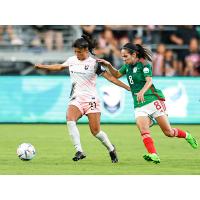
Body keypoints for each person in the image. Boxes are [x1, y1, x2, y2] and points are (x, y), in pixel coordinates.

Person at [34, 34, 130, 163]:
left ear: (86, 50)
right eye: (75, 51)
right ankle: (79, 150)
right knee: (70, 119)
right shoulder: (72, 60)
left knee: (96, 132)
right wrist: (43, 66)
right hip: (76, 99)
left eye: (79, 52)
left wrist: (128, 88)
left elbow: (111, 78)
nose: (76, 54)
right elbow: (59, 66)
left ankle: (111, 148)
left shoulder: (95, 63)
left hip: (91, 100)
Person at [97, 42, 198, 164]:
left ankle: (187, 136)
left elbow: (149, 81)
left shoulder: (144, 64)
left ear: (134, 54)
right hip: (139, 104)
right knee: (143, 128)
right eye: (122, 57)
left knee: (168, 132)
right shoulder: (127, 66)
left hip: (153, 99)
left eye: (126, 56)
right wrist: (108, 65)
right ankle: (153, 154)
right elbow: (116, 75)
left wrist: (142, 92)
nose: (123, 59)